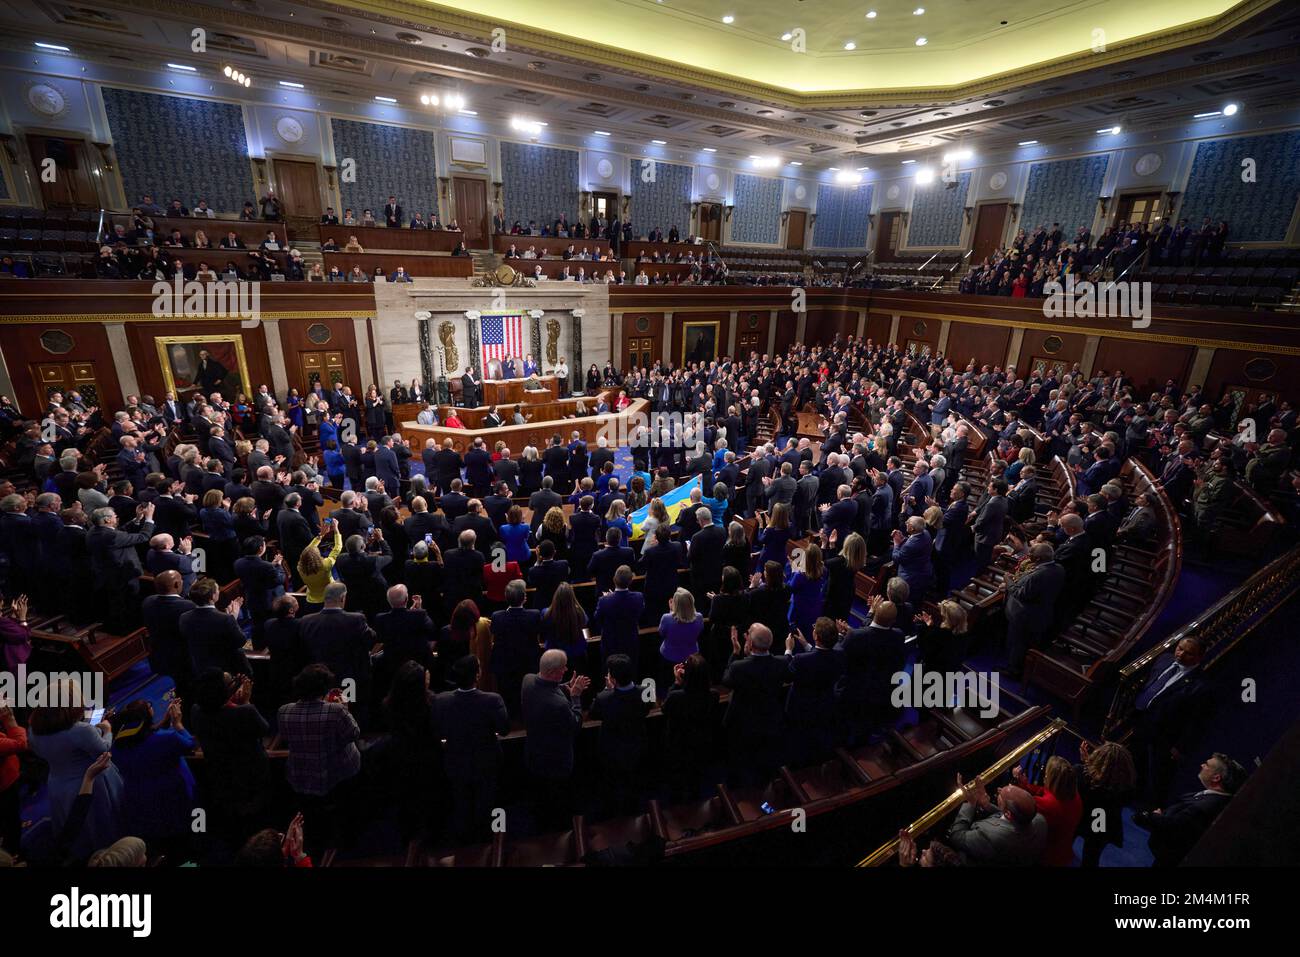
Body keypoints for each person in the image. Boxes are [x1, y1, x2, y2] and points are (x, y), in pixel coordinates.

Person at [27, 683, 126, 861]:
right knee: (103, 826)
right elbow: (103, 751)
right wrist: (107, 730)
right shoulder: (82, 730)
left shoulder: (33, 730)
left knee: (77, 829)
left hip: (58, 784)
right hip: (92, 783)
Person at [432, 655, 510, 841]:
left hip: (456, 759)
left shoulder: (441, 700)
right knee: (487, 802)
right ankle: (488, 839)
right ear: (477, 676)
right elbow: (504, 730)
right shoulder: (493, 700)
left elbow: (438, 730)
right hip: (487, 760)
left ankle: (464, 840)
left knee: (461, 802)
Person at [109, 698, 196, 853]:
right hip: (174, 794)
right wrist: (178, 724)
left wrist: (163, 722)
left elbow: (143, 737)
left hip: (140, 801)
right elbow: (190, 745)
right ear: (147, 716)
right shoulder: (168, 738)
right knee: (189, 835)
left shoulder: (116, 748)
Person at [1134, 752, 1245, 867]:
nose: (1202, 765)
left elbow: (1173, 825)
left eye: (1207, 765)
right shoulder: (1216, 799)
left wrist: (1151, 816)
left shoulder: (1206, 806)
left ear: (1216, 777)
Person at [521, 650, 590, 828]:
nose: (566, 669)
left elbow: (546, 687)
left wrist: (564, 686)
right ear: (552, 672)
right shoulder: (558, 705)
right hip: (556, 760)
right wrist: (575, 697)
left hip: (533, 752)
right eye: (563, 667)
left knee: (540, 795)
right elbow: (575, 725)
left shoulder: (527, 680)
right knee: (557, 800)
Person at [721, 622, 787, 785]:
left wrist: (736, 653)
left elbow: (726, 681)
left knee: (738, 759)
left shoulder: (738, 667)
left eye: (748, 634)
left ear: (750, 643)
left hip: (741, 722)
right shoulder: (780, 663)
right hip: (769, 719)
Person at [589, 653, 651, 813]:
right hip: (637, 745)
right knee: (633, 782)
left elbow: (594, 713)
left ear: (613, 679)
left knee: (611, 782)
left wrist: (607, 690)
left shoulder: (603, 698)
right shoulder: (645, 691)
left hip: (611, 748)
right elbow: (646, 708)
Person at [944, 774, 1047, 866]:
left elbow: (956, 836)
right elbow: (1011, 818)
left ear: (1007, 813)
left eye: (1001, 796)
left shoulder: (991, 838)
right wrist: (986, 805)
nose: (1000, 791)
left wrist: (970, 803)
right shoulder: (1040, 820)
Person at [1074, 739, 1137, 867]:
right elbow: (1103, 780)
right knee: (1091, 856)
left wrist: (1087, 763)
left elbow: (1092, 778)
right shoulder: (1125, 788)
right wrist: (1088, 763)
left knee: (1067, 840)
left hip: (1080, 816)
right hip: (1101, 822)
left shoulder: (1081, 773)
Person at [1011, 756, 1082, 866]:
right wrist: (1025, 784)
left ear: (1052, 779)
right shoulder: (1074, 795)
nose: (1044, 777)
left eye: (1047, 774)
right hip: (1064, 852)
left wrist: (1015, 783)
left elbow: (1023, 805)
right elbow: (1043, 791)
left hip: (1046, 857)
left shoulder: (1048, 804)